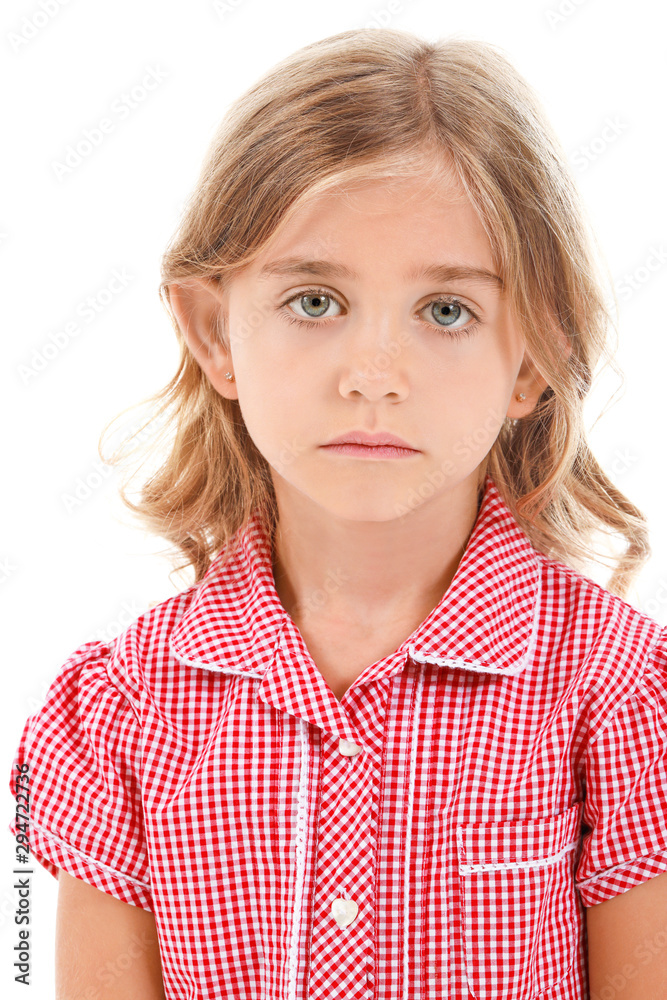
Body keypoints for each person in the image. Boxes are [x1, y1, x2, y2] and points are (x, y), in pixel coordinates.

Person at [8, 27, 667, 1000]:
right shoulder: (116, 717)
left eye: (446, 311)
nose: (373, 376)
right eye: (315, 300)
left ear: (531, 357)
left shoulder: (613, 696)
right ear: (212, 330)